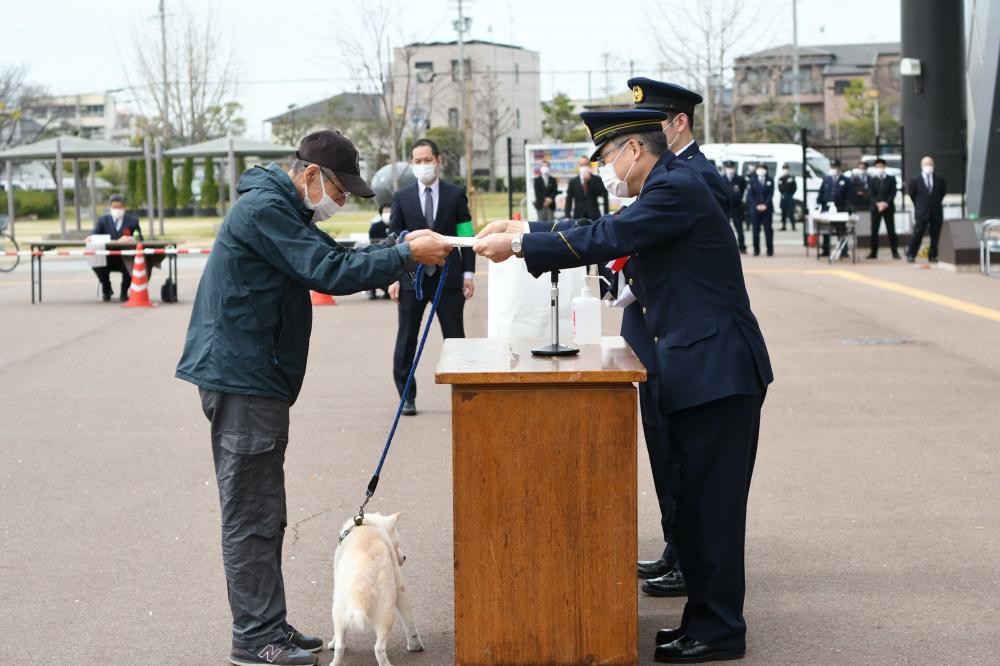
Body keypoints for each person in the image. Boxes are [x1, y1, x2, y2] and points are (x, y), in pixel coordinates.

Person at [473, 107, 772, 664]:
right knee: (696, 508)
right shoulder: (663, 188)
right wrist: (525, 231)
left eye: (608, 156)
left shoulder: (676, 188)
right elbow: (607, 233)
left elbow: (610, 233)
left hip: (717, 373)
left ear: (635, 150)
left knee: (714, 509)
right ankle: (703, 622)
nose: (606, 169)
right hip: (700, 369)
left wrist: (520, 248)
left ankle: (719, 630)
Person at [175, 130, 452, 666]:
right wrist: (403, 254)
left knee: (266, 511)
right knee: (251, 514)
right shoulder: (266, 212)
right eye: (340, 191)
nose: (342, 201)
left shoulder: (282, 210)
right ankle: (255, 637)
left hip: (254, 375)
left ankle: (269, 624)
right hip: (242, 378)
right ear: (309, 176)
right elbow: (329, 271)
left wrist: (400, 251)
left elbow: (334, 254)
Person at [624, 77, 731, 600]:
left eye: (653, 123)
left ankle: (690, 568)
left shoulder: (691, 179)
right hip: (660, 334)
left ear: (677, 123)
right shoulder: (669, 176)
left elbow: (647, 243)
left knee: (692, 472)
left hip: (692, 346)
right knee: (670, 457)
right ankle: (678, 551)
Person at [388, 138, 476, 416]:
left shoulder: (455, 194)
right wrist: (392, 275)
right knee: (406, 340)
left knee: (455, 338)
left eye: (427, 160)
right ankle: (407, 396)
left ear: (438, 161)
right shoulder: (401, 197)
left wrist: (469, 273)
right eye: (417, 161)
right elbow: (393, 239)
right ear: (411, 164)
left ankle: (463, 394)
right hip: (411, 278)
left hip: (448, 278)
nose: (423, 165)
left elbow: (466, 236)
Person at [90, 193, 143, 301]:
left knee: (132, 265)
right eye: (114, 207)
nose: (117, 210)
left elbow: (140, 238)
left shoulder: (133, 221)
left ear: (124, 207)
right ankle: (107, 289)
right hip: (107, 256)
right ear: (110, 207)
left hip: (125, 257)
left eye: (120, 207)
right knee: (96, 263)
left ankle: (124, 291)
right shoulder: (102, 220)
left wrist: (131, 239)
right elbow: (94, 235)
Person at [906, 155, 946, 263]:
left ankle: (932, 255)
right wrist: (920, 205)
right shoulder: (915, 180)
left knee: (935, 235)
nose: (928, 166)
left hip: (936, 211)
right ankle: (911, 254)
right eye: (926, 164)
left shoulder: (940, 179)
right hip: (921, 211)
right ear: (921, 166)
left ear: (933, 165)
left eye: (930, 164)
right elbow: (912, 194)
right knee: (918, 233)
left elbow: (942, 193)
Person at [817, 160, 851, 256]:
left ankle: (843, 250)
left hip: (840, 208)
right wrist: (819, 203)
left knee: (841, 229)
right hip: (827, 207)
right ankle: (825, 250)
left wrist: (848, 206)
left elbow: (849, 195)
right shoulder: (826, 179)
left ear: (839, 167)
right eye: (832, 167)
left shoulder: (846, 180)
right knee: (826, 230)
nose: (834, 169)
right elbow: (821, 192)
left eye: (835, 167)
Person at [868, 157, 900, 260]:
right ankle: (873, 252)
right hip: (876, 208)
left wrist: (886, 203)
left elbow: (893, 192)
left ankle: (895, 252)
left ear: (884, 166)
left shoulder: (891, 179)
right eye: (877, 166)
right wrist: (878, 204)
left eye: (881, 166)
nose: (879, 168)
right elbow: (871, 194)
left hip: (888, 208)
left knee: (891, 230)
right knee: (874, 231)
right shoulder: (872, 180)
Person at [564, 155, 609, 220]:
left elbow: (602, 193)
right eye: (582, 165)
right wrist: (567, 215)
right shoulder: (573, 181)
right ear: (578, 166)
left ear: (590, 166)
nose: (584, 167)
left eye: (586, 165)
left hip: (594, 215)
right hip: (578, 216)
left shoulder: (597, 179)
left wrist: (590, 180)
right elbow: (569, 199)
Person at [746, 163, 774, 256]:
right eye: (759, 168)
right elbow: (750, 195)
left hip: (767, 209)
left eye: (763, 169)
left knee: (768, 230)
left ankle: (769, 250)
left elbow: (771, 194)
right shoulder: (752, 180)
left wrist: (765, 205)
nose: (761, 170)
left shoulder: (770, 180)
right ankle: (756, 249)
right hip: (755, 209)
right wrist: (756, 205)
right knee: (755, 231)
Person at [721, 160, 748, 253]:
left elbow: (743, 190)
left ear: (734, 168)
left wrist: (739, 198)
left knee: (739, 228)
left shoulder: (739, 179)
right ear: (725, 169)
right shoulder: (721, 178)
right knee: (724, 229)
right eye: (728, 168)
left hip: (737, 207)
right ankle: (725, 248)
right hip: (726, 207)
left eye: (731, 168)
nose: (730, 170)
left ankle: (742, 247)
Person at [367, 204, 392, 300]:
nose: (388, 213)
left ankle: (387, 291)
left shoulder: (396, 225)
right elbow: (372, 241)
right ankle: (372, 291)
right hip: (378, 253)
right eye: (386, 211)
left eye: (390, 211)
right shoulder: (375, 226)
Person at [777, 163, 797, 231]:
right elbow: (779, 187)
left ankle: (793, 226)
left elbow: (794, 187)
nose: (785, 170)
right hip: (783, 196)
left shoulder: (791, 177)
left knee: (791, 212)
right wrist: (783, 193)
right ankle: (783, 226)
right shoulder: (781, 178)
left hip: (790, 196)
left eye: (786, 169)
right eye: (784, 169)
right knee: (783, 212)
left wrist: (790, 193)